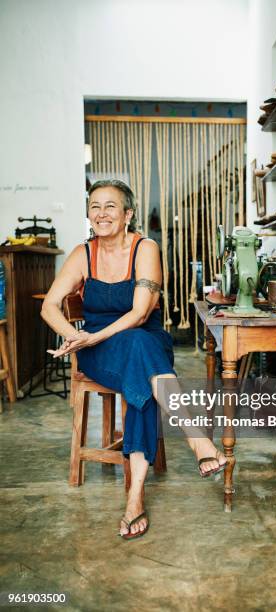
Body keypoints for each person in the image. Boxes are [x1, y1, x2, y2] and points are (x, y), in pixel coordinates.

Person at [41, 179, 227, 540]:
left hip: (144, 341)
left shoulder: (146, 247)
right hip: (99, 353)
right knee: (139, 366)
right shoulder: (83, 254)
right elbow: (50, 305)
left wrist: (91, 334)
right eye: (95, 206)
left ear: (127, 215)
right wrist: (72, 334)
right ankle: (194, 438)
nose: (101, 213)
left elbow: (141, 314)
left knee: (139, 352)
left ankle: (135, 496)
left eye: (110, 206)